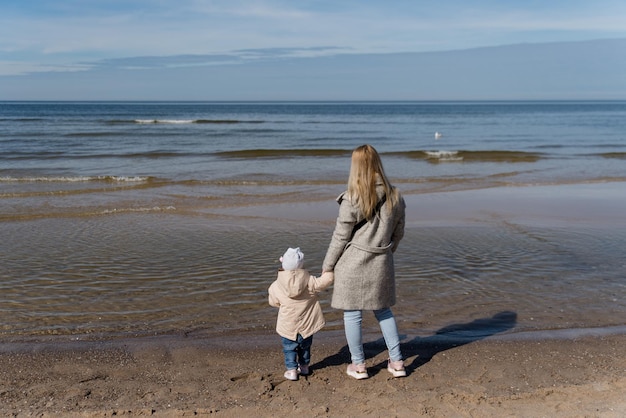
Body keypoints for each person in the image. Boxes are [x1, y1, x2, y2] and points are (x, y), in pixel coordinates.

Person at [322, 144, 406, 379]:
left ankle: (359, 365)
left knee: (352, 315)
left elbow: (340, 237)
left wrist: (328, 265)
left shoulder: (353, 197)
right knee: (384, 311)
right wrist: (386, 253)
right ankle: (397, 362)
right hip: (381, 261)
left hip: (352, 263)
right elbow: (398, 233)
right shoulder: (396, 196)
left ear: (356, 167)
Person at [268, 247, 334, 381]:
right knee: (305, 347)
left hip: (288, 326)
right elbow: (326, 280)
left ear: (283, 264)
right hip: (307, 325)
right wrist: (328, 270)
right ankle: (304, 367)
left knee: (289, 348)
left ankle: (292, 370)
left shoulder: (275, 285)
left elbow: (273, 302)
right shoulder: (310, 281)